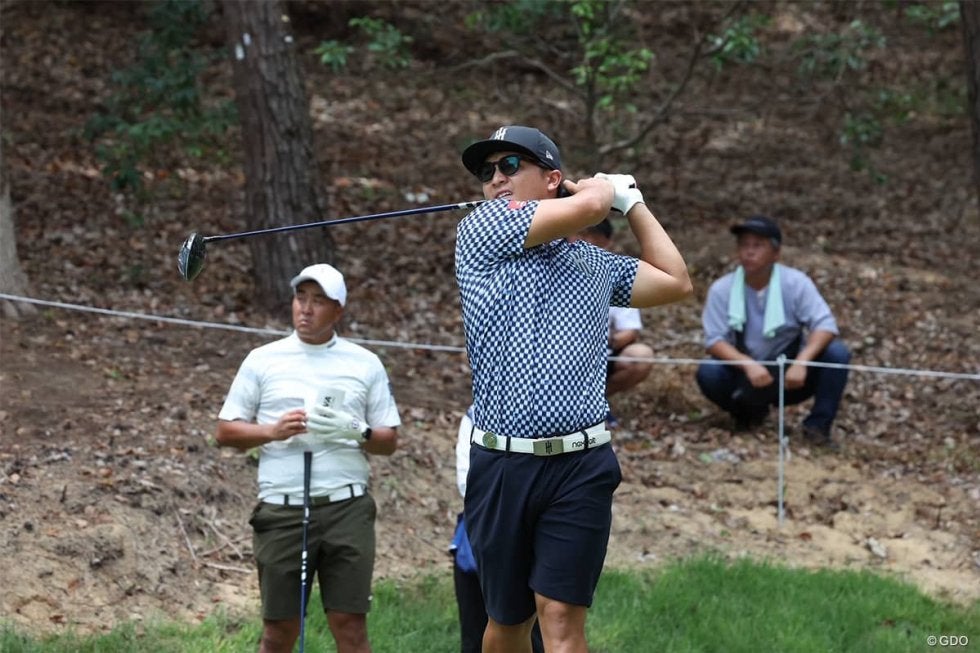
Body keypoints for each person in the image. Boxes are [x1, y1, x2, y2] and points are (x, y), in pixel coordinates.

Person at [455, 125, 692, 652]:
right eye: (487, 172)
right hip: (502, 464)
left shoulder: (594, 265)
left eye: (510, 166)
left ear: (552, 178)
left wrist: (635, 205)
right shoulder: (481, 229)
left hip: (580, 464)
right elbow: (588, 209)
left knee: (561, 619)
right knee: (508, 622)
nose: (495, 179)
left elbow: (676, 281)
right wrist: (603, 191)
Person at [215, 263, 400, 653]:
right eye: (301, 298)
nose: (306, 309)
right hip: (282, 509)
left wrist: (356, 431)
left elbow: (388, 440)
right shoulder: (263, 359)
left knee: (349, 626)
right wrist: (272, 431)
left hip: (346, 507)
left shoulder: (364, 363)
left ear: (339, 311)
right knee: (279, 630)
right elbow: (226, 431)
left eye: (319, 301)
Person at [695, 215, 850, 448]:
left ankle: (817, 427)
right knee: (709, 371)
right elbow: (715, 340)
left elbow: (825, 325)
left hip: (790, 374)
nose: (749, 252)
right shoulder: (722, 289)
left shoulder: (796, 283)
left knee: (836, 354)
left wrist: (802, 361)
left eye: (757, 246)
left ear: (776, 253)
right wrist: (747, 364)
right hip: (744, 373)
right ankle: (747, 415)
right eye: (744, 245)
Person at [450, 407, 544, 653]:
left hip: (536, 539)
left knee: (533, 633)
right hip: (485, 540)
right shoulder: (476, 415)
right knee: (475, 635)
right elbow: (467, 484)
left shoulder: (554, 415)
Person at [572, 219, 655, 427]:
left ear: (606, 242)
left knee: (641, 355)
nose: (585, 242)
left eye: (592, 238)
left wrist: (607, 340)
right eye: (581, 236)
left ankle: (596, 401)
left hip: (603, 353)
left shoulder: (612, 272)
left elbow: (630, 330)